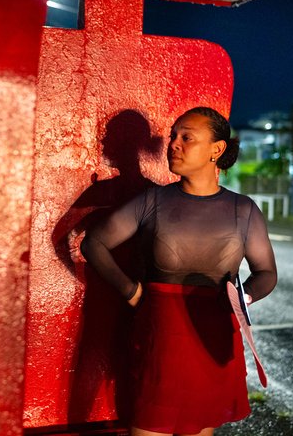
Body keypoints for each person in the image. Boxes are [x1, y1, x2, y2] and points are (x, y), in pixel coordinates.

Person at [80, 106, 277, 436]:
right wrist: (131, 291)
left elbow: (266, 272)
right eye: (173, 136)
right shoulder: (152, 201)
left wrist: (243, 296)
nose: (174, 143)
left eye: (187, 137)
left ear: (217, 150)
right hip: (161, 344)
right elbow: (94, 243)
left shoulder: (243, 210)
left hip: (213, 340)